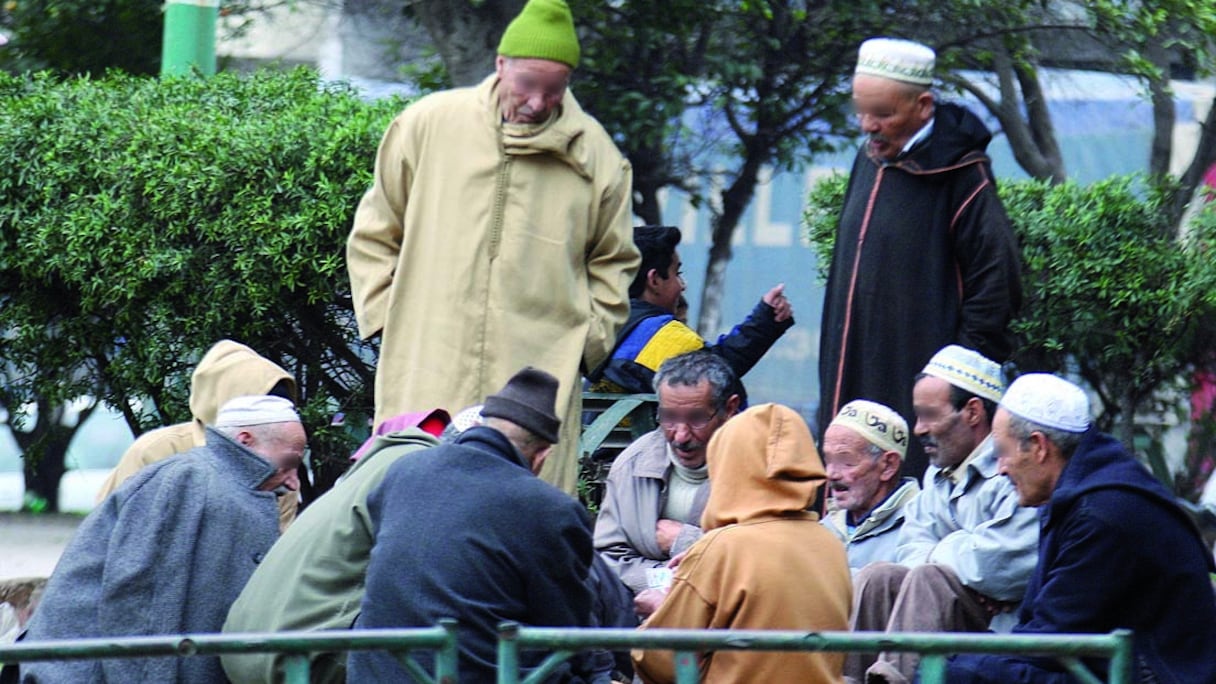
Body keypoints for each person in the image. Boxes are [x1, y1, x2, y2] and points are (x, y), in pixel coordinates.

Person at [346, 0, 639, 495]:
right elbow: (376, 228)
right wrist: (384, 319)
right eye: (527, 84)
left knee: (518, 511)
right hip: (426, 354)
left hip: (536, 372)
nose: (539, 102)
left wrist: (583, 348)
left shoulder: (598, 157)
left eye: (555, 89)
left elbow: (615, 263)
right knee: (411, 493)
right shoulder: (428, 124)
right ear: (500, 65)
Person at [817, 37, 1022, 480]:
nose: (868, 126)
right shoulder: (870, 158)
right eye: (861, 112)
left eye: (883, 115)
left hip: (916, 369)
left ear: (924, 105)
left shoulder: (962, 175)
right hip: (852, 358)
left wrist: (954, 379)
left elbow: (995, 284)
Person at [946, 374, 1216, 683]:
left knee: (957, 671)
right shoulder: (1085, 491)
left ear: (1038, 446)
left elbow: (1049, 638)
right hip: (1114, 664)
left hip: (1152, 676)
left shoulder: (1100, 512)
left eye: (1003, 452)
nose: (1001, 468)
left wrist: (958, 660)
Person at [22, 396, 305, 684]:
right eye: (289, 463)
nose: (294, 482)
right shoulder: (184, 481)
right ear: (246, 440)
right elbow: (141, 608)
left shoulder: (211, 482)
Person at [347, 368, 601, 682]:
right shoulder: (549, 508)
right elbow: (566, 633)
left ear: (479, 425)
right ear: (542, 455)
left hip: (376, 674)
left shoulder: (403, 470)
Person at [852, 345, 1039, 684]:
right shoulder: (936, 476)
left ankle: (893, 680)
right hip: (950, 617)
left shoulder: (1012, 469)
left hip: (1002, 632)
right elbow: (910, 547)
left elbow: (1002, 563)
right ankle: (849, 677)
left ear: (972, 412)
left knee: (929, 578)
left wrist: (941, 565)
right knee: (878, 577)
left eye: (929, 415)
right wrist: (959, 557)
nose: (919, 429)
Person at [632, 403, 851, 683]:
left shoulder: (722, 548)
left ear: (729, 466)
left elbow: (660, 661)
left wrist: (661, 610)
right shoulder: (830, 544)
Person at [220, 417, 448, 684]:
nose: (295, 484)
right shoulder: (421, 476)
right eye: (288, 465)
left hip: (242, 649)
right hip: (294, 661)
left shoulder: (374, 469)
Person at [94, 339, 300, 530]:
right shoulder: (158, 451)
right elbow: (111, 536)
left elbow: (274, 549)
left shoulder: (281, 474)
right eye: (264, 411)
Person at [594, 351, 742, 599]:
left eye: (697, 418)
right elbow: (607, 559)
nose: (681, 436)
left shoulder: (756, 470)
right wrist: (668, 582)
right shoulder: (631, 466)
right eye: (669, 417)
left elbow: (763, 562)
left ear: (730, 409)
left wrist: (684, 541)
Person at [588, 225, 793, 397]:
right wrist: (765, 319)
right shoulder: (660, 335)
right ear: (654, 280)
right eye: (677, 273)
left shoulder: (596, 325)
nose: (682, 286)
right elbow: (718, 375)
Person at [820, 399, 920, 572]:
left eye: (846, 460)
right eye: (828, 459)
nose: (831, 474)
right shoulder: (825, 528)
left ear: (888, 465)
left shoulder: (920, 525)